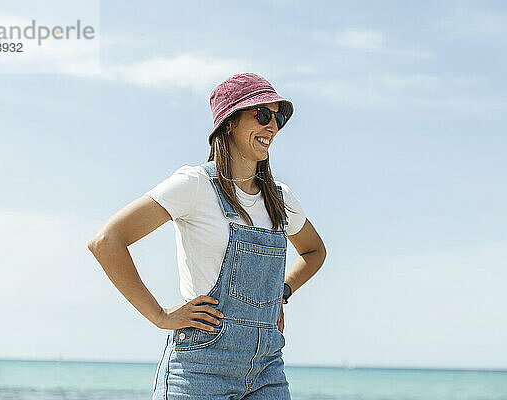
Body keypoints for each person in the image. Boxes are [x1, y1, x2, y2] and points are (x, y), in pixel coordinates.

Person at [87, 72, 327, 399]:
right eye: (262, 115)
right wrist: (159, 315)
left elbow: (315, 252)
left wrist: (280, 292)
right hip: (201, 367)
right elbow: (107, 241)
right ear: (229, 123)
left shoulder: (280, 199)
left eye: (278, 117)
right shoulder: (194, 185)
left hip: (266, 368)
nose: (273, 125)